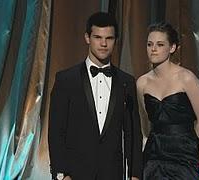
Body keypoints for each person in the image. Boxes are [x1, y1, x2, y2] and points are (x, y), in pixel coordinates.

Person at [48, 12, 142, 180]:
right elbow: (56, 131)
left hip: (112, 173)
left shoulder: (126, 82)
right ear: (87, 38)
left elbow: (132, 133)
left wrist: (135, 174)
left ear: (115, 40)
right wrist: (61, 174)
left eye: (109, 38)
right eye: (98, 37)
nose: (104, 44)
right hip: (75, 173)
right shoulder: (66, 80)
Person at [137, 22, 199, 179]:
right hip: (154, 154)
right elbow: (145, 124)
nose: (153, 49)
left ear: (172, 48)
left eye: (160, 44)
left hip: (183, 156)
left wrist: (189, 147)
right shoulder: (142, 83)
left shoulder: (187, 78)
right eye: (150, 44)